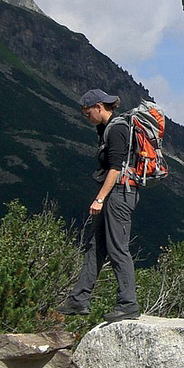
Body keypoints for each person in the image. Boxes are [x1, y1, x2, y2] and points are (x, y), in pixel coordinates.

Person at [54, 89, 140, 322]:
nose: (87, 117)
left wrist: (99, 199)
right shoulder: (107, 128)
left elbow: (115, 168)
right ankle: (78, 299)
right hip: (117, 192)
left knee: (117, 248)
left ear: (99, 107)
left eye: (87, 113)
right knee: (95, 245)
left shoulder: (118, 129)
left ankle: (128, 303)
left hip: (120, 194)